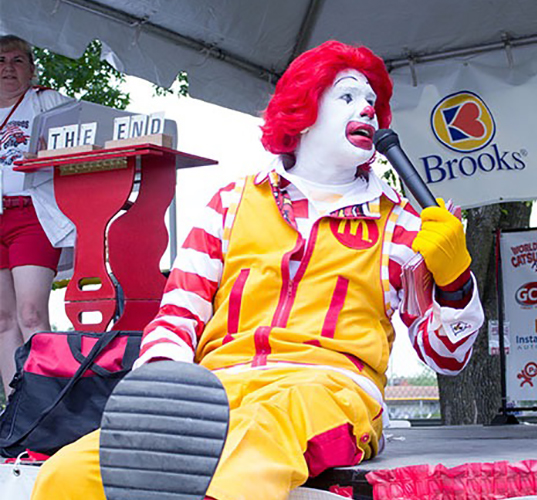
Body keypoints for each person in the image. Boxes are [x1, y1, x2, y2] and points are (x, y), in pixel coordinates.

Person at [32, 40, 483, 500]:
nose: (366, 109)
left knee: (253, 448)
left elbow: (445, 358)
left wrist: (454, 283)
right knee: (65, 475)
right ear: (303, 108)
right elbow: (179, 313)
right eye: (347, 97)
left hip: (327, 392)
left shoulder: (403, 224)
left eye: (372, 101)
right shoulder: (230, 202)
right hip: (215, 392)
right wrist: (164, 395)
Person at [0, 35, 75, 397]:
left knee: (31, 313)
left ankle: (48, 404)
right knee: (2, 320)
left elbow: (84, 134)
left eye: (17, 61)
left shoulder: (47, 101)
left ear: (31, 69)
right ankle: (15, 410)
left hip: (32, 214)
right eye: (0, 61)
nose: (8, 69)